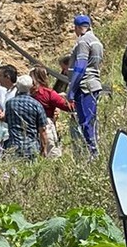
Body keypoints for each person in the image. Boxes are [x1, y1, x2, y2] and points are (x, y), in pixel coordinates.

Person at [66, 15, 104, 156]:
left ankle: (93, 154)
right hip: (94, 84)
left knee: (86, 122)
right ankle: (94, 151)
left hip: (84, 86)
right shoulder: (96, 41)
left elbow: (81, 67)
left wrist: (71, 89)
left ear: (77, 27)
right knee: (92, 120)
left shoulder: (83, 41)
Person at [2, 75, 48, 159]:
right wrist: (44, 148)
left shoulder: (9, 103)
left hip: (14, 146)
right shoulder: (36, 104)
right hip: (32, 147)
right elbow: (43, 129)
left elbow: (7, 120)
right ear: (31, 87)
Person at [30, 66, 69, 158]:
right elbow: (67, 107)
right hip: (46, 124)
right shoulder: (48, 93)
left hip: (31, 125)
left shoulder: (29, 93)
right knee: (52, 152)